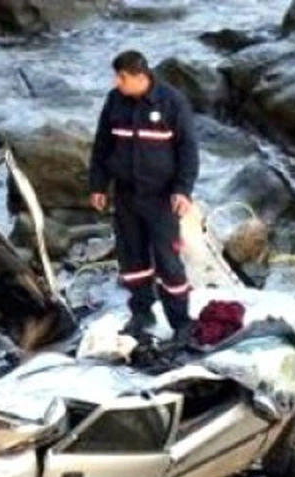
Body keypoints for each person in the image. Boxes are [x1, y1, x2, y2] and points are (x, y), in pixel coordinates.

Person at [88, 49, 199, 342]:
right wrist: (98, 185)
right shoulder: (115, 101)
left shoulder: (172, 102)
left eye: (122, 77)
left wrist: (182, 191)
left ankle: (181, 322)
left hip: (162, 198)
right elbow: (101, 146)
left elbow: (188, 150)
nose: (117, 83)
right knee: (132, 257)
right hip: (126, 195)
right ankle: (141, 312)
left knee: (168, 262)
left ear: (140, 77)